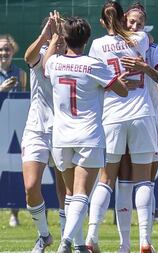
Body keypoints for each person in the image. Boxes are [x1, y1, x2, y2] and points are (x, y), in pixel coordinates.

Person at [42, 15, 128, 253]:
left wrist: (54, 37)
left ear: (65, 38)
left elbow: (46, 64)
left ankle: (78, 245)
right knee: (81, 194)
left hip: (61, 137)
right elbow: (121, 91)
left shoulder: (55, 63)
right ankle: (66, 242)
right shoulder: (93, 64)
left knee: (71, 194)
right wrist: (115, 80)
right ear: (87, 39)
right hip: (88, 135)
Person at [84, 2, 157, 253]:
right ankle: (145, 240)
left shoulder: (97, 45)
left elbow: (93, 78)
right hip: (140, 113)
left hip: (112, 114)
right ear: (124, 17)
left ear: (104, 21)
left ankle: (92, 236)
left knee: (105, 180)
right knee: (143, 180)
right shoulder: (142, 38)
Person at [113, 2, 158, 252]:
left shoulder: (152, 47)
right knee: (123, 181)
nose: (135, 26)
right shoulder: (110, 45)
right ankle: (126, 244)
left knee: (143, 180)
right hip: (120, 118)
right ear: (122, 21)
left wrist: (146, 68)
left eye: (139, 23)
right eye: (131, 22)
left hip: (148, 118)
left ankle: (143, 240)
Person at [22, 13, 68, 252]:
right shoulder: (39, 56)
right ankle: (44, 235)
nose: (59, 38)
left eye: (62, 33)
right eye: (55, 31)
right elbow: (28, 56)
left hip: (64, 131)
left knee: (65, 190)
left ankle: (65, 240)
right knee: (31, 187)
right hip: (37, 129)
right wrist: (45, 36)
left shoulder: (71, 61)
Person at [0, 34, 27, 228]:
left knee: (15, 171)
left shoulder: (20, 73)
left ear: (13, 51)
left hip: (14, 128)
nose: (3, 53)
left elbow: (25, 98)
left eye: (7, 49)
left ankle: (14, 213)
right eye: (1, 49)